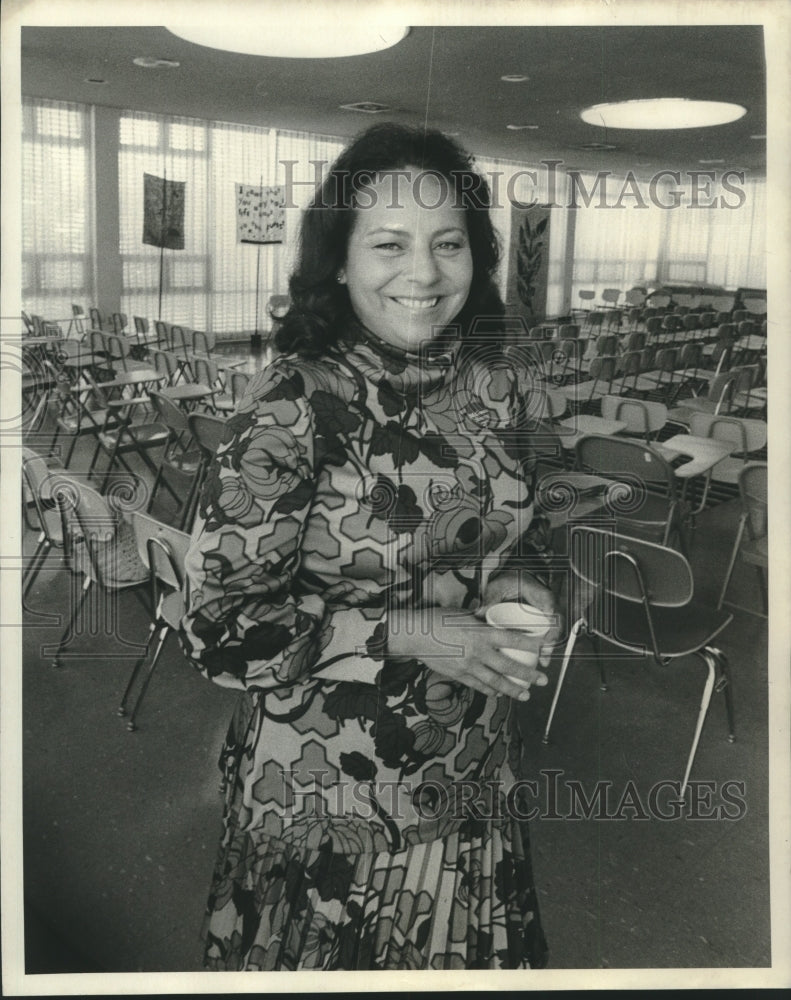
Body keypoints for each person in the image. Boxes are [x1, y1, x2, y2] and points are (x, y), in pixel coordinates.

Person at [180, 122, 560, 971]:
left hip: (470, 770)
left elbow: (522, 530)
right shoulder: (294, 403)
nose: (422, 273)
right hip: (330, 798)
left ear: (476, 254)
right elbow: (220, 629)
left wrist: (528, 583)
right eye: (389, 243)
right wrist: (412, 632)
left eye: (447, 243)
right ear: (340, 259)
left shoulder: (493, 384)